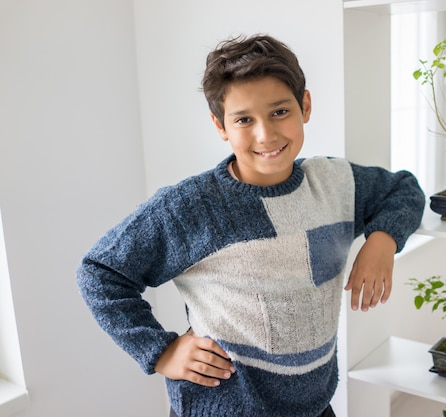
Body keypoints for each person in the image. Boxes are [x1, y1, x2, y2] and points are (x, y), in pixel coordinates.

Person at [77, 34, 425, 417]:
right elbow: (100, 272)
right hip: (223, 407)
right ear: (220, 125)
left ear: (304, 105)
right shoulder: (192, 206)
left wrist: (382, 241)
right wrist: (160, 351)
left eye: (280, 112)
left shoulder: (334, 182)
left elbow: (404, 189)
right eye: (244, 119)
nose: (266, 134)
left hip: (314, 405)